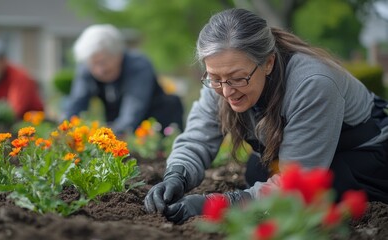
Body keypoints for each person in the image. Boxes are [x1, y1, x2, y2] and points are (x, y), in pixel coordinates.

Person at [144, 8, 388, 224]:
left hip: (362, 157)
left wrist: (213, 205)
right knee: (257, 171)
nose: (227, 91)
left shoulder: (313, 84)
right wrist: (177, 174)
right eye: (215, 78)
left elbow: (297, 186)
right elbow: (198, 137)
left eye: (238, 78)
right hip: (305, 159)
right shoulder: (221, 81)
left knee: (321, 194)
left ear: (268, 62)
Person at [63, 24, 184, 135]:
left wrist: (107, 137)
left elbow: (133, 109)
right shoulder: (86, 68)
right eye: (93, 64)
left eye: (103, 62)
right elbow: (76, 104)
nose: (99, 70)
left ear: (118, 54)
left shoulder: (138, 65)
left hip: (156, 125)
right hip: (120, 125)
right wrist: (65, 133)